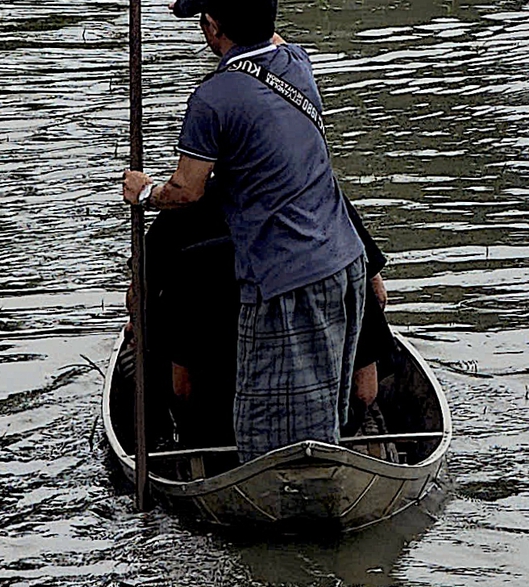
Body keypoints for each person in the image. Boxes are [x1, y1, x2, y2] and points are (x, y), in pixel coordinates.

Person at [121, 0, 372, 461]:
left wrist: (144, 192)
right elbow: (261, 33)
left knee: (271, 431)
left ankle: (276, 497)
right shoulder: (297, 63)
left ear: (213, 26)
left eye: (205, 19)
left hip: (282, 278)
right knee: (322, 411)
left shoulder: (213, 99)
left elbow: (188, 191)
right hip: (344, 263)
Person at [143, 187, 398, 449]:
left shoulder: (190, 259)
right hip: (326, 428)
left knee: (150, 337)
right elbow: (365, 391)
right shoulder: (329, 226)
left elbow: (182, 389)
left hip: (221, 434)